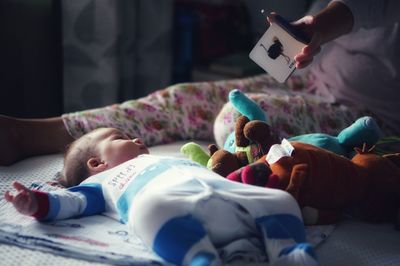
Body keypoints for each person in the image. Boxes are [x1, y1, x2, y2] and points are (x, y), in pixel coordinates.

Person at [1, 0, 399, 166]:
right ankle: (31, 133)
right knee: (180, 98)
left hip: (368, 114)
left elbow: (362, 7)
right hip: (308, 76)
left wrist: (314, 27)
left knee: (233, 122)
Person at [4, 127, 317, 266]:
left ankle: (287, 251)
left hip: (225, 197)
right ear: (97, 164)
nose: (136, 138)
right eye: (120, 138)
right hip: (174, 211)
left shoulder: (163, 158)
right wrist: (37, 203)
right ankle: (199, 258)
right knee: (148, 210)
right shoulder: (103, 182)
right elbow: (71, 202)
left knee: (280, 200)